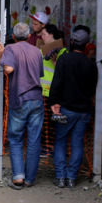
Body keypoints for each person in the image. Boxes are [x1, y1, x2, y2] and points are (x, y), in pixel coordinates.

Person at [49, 29, 98, 188]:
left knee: (61, 141)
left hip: (65, 108)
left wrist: (53, 102)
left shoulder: (64, 59)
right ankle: (71, 178)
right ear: (86, 46)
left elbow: (56, 83)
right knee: (77, 143)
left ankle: (60, 177)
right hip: (84, 111)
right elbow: (92, 90)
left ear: (71, 42)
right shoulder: (91, 65)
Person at [0, 22, 44, 190]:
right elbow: (39, 74)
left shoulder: (11, 48)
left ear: (13, 36)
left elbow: (9, 69)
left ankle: (18, 177)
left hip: (19, 99)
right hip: (37, 99)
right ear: (29, 36)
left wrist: (2, 57)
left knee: (16, 138)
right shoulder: (36, 51)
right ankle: (30, 178)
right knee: (34, 140)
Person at [39, 24, 67, 157]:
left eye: (44, 34)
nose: (42, 37)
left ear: (52, 35)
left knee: (55, 122)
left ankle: (54, 148)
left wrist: (55, 62)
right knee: (44, 122)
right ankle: (46, 147)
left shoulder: (63, 52)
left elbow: (65, 74)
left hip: (56, 93)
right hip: (43, 92)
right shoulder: (40, 51)